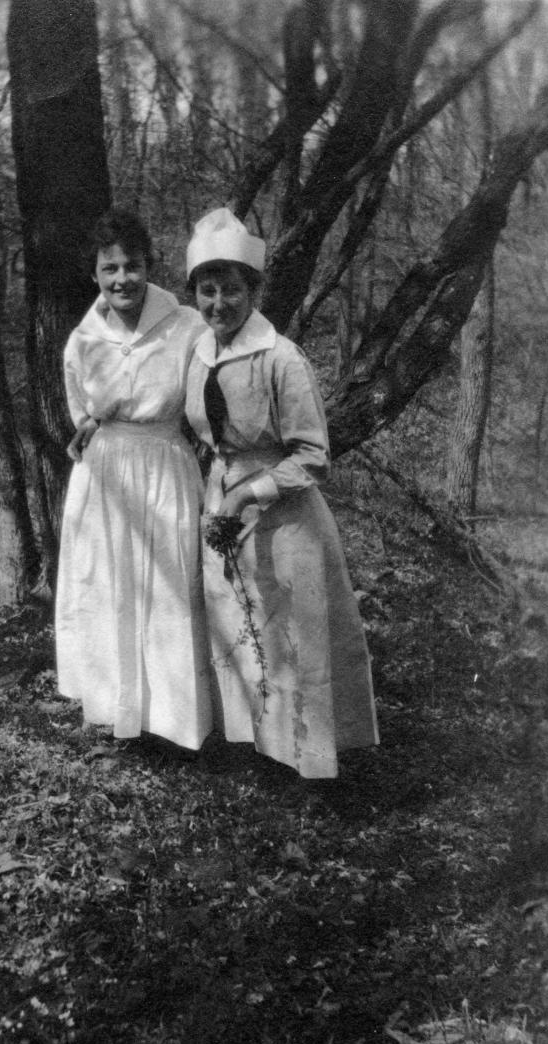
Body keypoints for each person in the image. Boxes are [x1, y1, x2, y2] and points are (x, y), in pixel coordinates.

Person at [184, 208, 378, 779]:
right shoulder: (198, 352)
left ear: (255, 290)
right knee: (240, 624)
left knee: (295, 632)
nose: (220, 304)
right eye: (208, 290)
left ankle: (309, 760)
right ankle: (255, 743)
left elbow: (313, 457)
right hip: (220, 500)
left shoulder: (282, 357)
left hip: (285, 513)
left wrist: (249, 494)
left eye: (233, 290)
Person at [55, 208, 212, 750]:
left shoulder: (187, 325)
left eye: (132, 265)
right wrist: (91, 423)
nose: (122, 278)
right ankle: (112, 710)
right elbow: (82, 406)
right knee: (108, 587)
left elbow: (202, 402)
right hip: (104, 477)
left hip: (166, 464)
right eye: (110, 268)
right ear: (94, 274)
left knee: (168, 588)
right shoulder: (83, 339)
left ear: (150, 266)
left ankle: (173, 720)